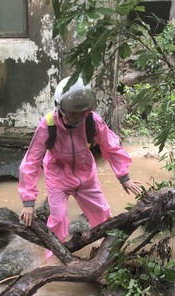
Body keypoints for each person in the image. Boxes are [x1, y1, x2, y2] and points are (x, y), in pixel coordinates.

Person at [18, 76, 142, 250]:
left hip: (86, 177)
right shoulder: (48, 125)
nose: (78, 117)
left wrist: (124, 176)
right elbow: (31, 161)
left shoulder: (92, 120)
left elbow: (111, 146)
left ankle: (108, 250)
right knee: (58, 219)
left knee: (102, 214)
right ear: (61, 108)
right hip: (57, 178)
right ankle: (55, 255)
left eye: (82, 112)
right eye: (73, 113)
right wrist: (28, 202)